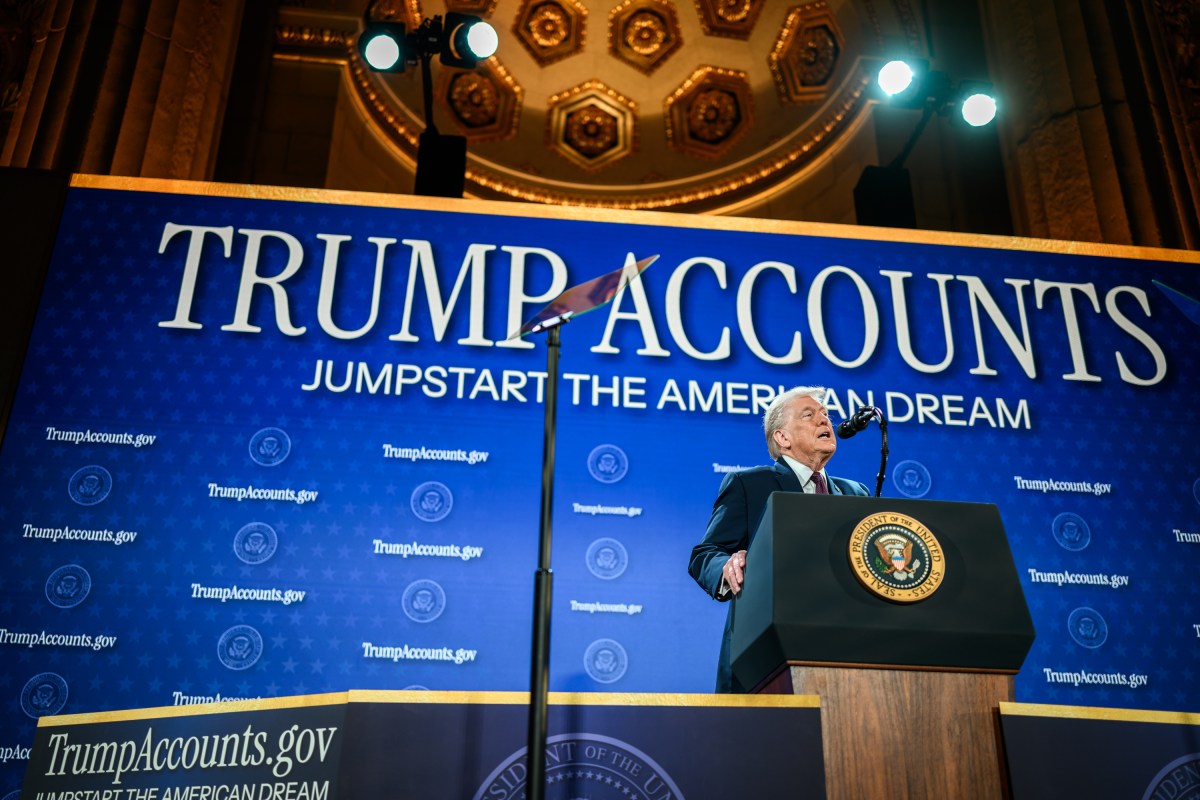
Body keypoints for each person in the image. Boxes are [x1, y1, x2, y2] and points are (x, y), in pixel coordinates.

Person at [688, 386, 870, 692]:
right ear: (782, 438)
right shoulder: (750, 484)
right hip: (766, 657)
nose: (824, 421)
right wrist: (727, 565)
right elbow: (706, 554)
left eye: (825, 414)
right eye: (809, 415)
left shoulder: (856, 493)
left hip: (848, 655)